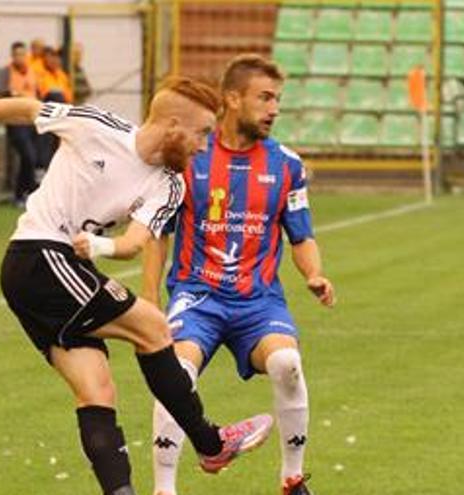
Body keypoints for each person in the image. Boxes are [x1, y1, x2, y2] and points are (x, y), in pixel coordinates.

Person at [0, 76, 274, 495]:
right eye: (202, 133)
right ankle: (212, 444)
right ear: (174, 125)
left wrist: (103, 244)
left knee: (97, 388)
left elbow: (135, 243)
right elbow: (29, 108)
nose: (204, 145)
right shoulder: (96, 126)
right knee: (153, 328)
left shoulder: (169, 184)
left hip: (58, 269)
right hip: (38, 256)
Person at [136, 54, 335, 495]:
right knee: (176, 374)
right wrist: (149, 297)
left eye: (277, 99)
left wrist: (314, 275)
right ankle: (163, 489)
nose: (274, 109)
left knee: (286, 363)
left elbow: (300, 235)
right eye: (264, 98)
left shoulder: (286, 164)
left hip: (258, 301)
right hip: (197, 296)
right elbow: (157, 234)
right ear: (232, 98)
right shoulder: (189, 157)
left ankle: (292, 479)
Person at [0, 41, 39, 205]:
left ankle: (19, 193)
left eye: (22, 54)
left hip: (31, 121)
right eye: (16, 55)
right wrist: (6, 93)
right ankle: (29, 191)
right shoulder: (6, 72)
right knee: (28, 157)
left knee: (29, 159)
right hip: (15, 121)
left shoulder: (32, 71)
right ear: (12, 56)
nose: (19, 58)